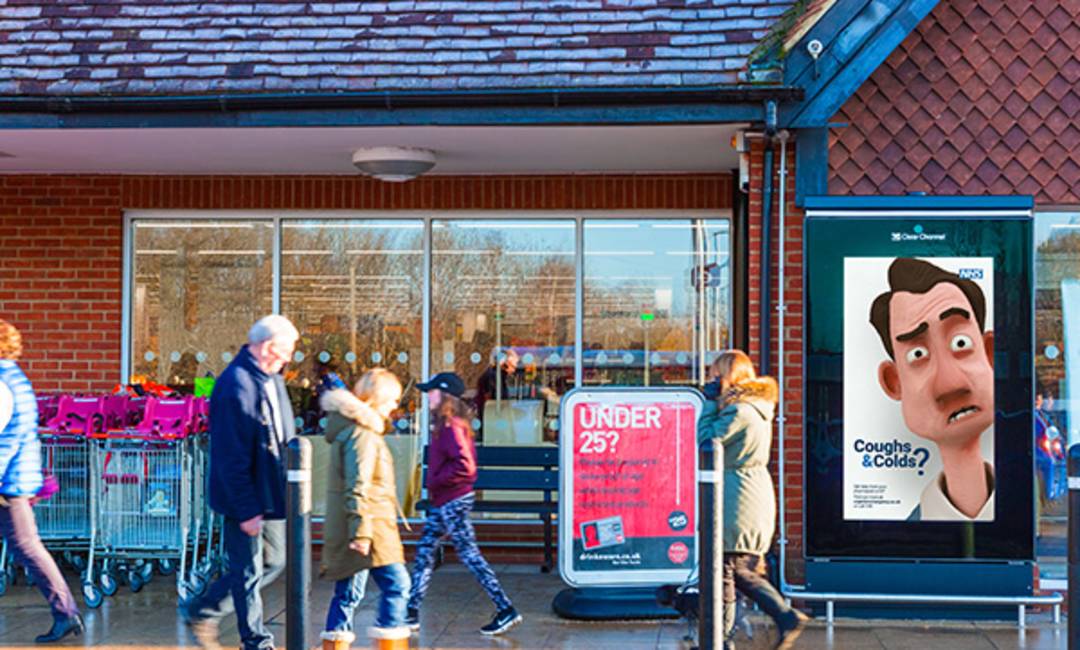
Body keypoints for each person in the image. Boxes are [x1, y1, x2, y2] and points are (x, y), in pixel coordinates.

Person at [183, 315, 299, 650]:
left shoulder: (270, 379)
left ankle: (203, 608)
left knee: (274, 560)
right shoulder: (235, 385)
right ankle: (255, 641)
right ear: (266, 346)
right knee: (247, 569)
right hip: (245, 497)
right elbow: (230, 456)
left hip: (272, 493)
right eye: (286, 350)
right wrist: (247, 509)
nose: (289, 358)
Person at [869, 258, 995, 521]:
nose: (949, 384)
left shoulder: (1023, 513)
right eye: (918, 354)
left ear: (990, 354)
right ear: (895, 382)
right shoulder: (901, 537)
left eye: (961, 343)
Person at [697, 350, 808, 650]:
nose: (710, 380)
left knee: (732, 569)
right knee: (729, 570)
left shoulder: (739, 412)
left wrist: (708, 403)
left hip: (738, 498)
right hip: (746, 493)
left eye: (715, 375)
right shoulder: (752, 407)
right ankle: (719, 637)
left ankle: (783, 616)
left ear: (728, 377)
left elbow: (706, 439)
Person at [405, 372, 522, 636]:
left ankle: (505, 608)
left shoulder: (451, 426)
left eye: (432, 392)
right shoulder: (446, 423)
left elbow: (466, 467)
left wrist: (436, 481)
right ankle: (410, 612)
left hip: (452, 500)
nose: (428, 397)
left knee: (469, 555)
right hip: (445, 499)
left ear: (445, 395)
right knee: (424, 552)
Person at [0, 319, 83, 643]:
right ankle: (65, 612)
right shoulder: (13, 377)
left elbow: (7, 438)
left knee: (27, 547)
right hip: (15, 478)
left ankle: (66, 612)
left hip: (9, 483)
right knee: (26, 546)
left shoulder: (4, 382)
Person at [318, 369, 410, 650]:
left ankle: (335, 644)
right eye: (393, 399)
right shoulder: (363, 434)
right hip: (371, 529)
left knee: (348, 594)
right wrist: (362, 533)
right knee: (398, 586)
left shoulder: (352, 427)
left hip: (357, 526)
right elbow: (358, 486)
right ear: (380, 397)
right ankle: (390, 643)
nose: (396, 406)